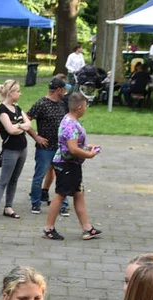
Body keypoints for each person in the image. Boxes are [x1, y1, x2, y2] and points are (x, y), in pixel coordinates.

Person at [42, 92, 101, 242]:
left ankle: (87, 228)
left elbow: (73, 143)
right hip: (66, 164)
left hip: (72, 164)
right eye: (86, 106)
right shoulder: (70, 123)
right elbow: (73, 148)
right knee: (60, 194)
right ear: (80, 107)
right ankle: (49, 228)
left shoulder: (71, 120)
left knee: (79, 193)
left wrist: (87, 146)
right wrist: (89, 155)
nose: (86, 109)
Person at [0, 80, 31, 224]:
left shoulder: (18, 108)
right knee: (3, 180)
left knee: (14, 179)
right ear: (10, 93)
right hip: (10, 150)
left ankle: (8, 207)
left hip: (22, 148)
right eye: (18, 91)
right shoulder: (2, 110)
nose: (20, 93)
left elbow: (29, 124)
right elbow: (10, 130)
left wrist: (19, 126)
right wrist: (20, 127)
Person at [27, 77, 68, 215]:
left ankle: (63, 204)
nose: (65, 92)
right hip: (45, 147)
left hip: (61, 147)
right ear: (58, 90)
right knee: (39, 175)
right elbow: (26, 119)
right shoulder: (42, 104)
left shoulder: (63, 103)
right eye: (64, 90)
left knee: (63, 175)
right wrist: (36, 136)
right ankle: (35, 202)